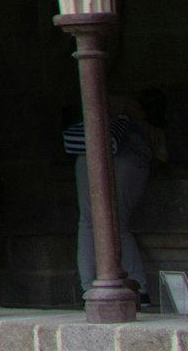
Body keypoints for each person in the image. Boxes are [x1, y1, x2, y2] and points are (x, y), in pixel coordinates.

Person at [66, 95, 161, 299]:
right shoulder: (131, 120)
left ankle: (90, 288)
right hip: (114, 157)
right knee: (115, 223)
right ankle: (137, 287)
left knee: (91, 223)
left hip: (93, 155)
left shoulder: (121, 119)